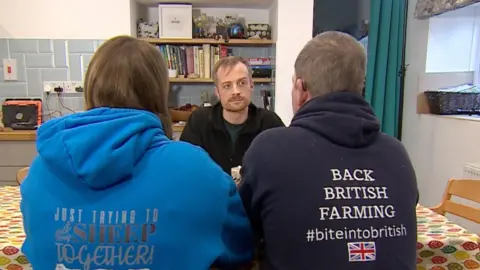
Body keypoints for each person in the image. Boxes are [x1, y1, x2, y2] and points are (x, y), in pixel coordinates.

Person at [20, 36, 253, 270]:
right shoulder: (201, 172)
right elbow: (241, 252)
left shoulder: (41, 171)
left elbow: (36, 250)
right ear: (159, 93)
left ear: (90, 89)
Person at [239, 31, 418, 270]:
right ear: (360, 86)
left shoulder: (269, 149)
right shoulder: (397, 153)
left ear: (301, 89)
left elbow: (241, 235)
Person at [180, 56, 285, 174]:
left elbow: (284, 171)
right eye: (227, 86)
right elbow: (185, 169)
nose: (236, 91)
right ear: (217, 92)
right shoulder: (199, 122)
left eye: (242, 83)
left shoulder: (270, 124)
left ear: (251, 85)